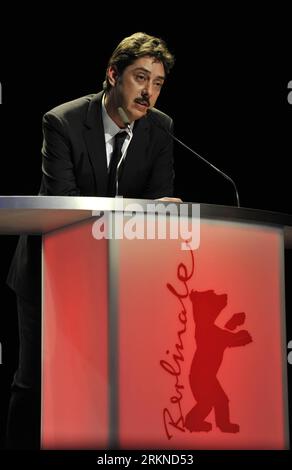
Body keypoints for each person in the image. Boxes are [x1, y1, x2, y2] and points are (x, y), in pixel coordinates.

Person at [6, 32, 176, 449]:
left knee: (103, 385)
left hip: (116, 277)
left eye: (157, 83)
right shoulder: (62, 122)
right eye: (140, 78)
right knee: (36, 383)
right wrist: (142, 213)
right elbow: (64, 209)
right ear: (113, 74)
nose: (149, 92)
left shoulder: (161, 129)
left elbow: (160, 206)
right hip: (50, 272)